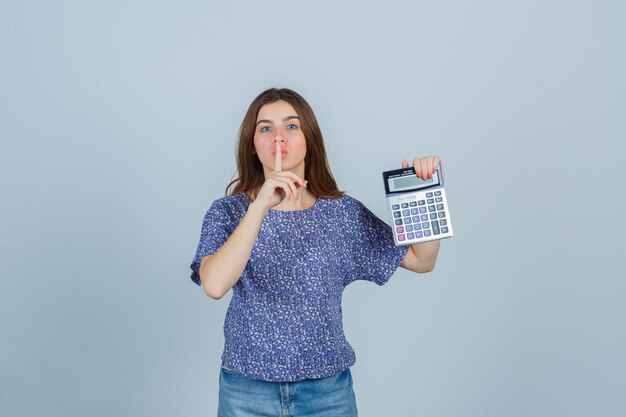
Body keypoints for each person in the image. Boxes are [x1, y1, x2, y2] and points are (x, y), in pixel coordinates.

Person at [190, 87, 442, 417]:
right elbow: (214, 285)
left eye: (291, 126)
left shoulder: (343, 214)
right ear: (253, 145)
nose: (278, 137)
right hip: (246, 392)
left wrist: (423, 192)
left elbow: (422, 261)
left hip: (327, 395)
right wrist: (260, 206)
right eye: (265, 128)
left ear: (309, 138)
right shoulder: (227, 212)